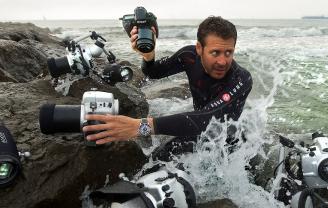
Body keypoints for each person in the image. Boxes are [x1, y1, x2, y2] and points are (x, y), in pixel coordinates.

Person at [83, 16, 252, 161]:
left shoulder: (241, 79)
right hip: (196, 131)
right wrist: (148, 55)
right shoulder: (189, 56)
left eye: (228, 52)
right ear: (199, 48)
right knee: (157, 159)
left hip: (226, 145)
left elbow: (207, 119)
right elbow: (153, 72)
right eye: (215, 53)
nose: (223, 61)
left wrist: (139, 126)